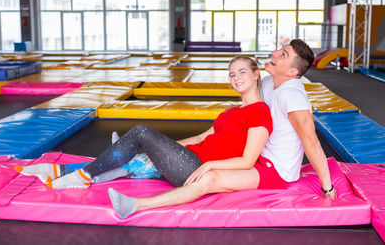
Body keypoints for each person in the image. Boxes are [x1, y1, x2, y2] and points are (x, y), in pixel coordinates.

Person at [16, 56, 285, 218]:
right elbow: (203, 136)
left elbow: (248, 160)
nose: (235, 78)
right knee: (128, 163)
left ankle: (80, 177)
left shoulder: (259, 112)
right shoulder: (232, 110)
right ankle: (57, 170)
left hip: (194, 169)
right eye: (231, 74)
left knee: (142, 132)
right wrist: (166, 148)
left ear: (256, 74)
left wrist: (208, 165)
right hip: (190, 158)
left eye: (241, 73)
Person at [106, 39, 337, 219]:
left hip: (275, 170)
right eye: (280, 49)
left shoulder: (293, 95)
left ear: (292, 72)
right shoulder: (268, 82)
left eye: (284, 54)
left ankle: (136, 205)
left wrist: (327, 188)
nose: (275, 53)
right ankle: (133, 154)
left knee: (210, 178)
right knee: (200, 148)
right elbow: (250, 101)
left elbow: (311, 141)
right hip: (257, 153)